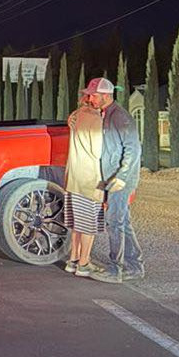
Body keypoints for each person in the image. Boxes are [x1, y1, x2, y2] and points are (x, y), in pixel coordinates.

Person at [82, 78, 145, 284]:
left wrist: (121, 178)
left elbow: (133, 149)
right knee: (123, 222)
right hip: (114, 179)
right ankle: (135, 267)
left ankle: (115, 270)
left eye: (94, 95)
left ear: (106, 96)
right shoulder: (107, 114)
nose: (90, 98)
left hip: (120, 180)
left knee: (114, 222)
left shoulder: (119, 116)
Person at [63, 95, 106, 277]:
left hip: (73, 177)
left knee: (77, 223)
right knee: (89, 224)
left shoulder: (76, 115)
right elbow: (97, 152)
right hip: (90, 179)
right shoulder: (95, 119)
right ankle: (84, 263)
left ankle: (73, 260)